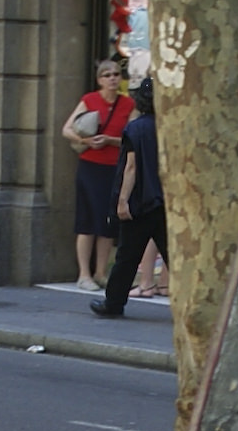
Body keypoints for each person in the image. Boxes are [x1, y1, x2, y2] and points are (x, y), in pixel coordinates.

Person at [92, 79, 165, 319]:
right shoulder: (170, 127)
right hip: (165, 202)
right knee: (174, 257)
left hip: (140, 203)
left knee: (126, 257)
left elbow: (131, 168)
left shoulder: (135, 129)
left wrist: (122, 201)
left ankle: (113, 303)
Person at [64, 57, 131, 288]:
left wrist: (111, 140)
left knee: (107, 222)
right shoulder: (89, 100)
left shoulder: (128, 104)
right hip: (90, 166)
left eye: (116, 74)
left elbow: (133, 138)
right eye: (107, 75)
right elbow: (67, 129)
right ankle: (84, 274)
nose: (112, 78)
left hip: (114, 167)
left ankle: (101, 272)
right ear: (99, 80)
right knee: (87, 221)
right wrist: (86, 141)